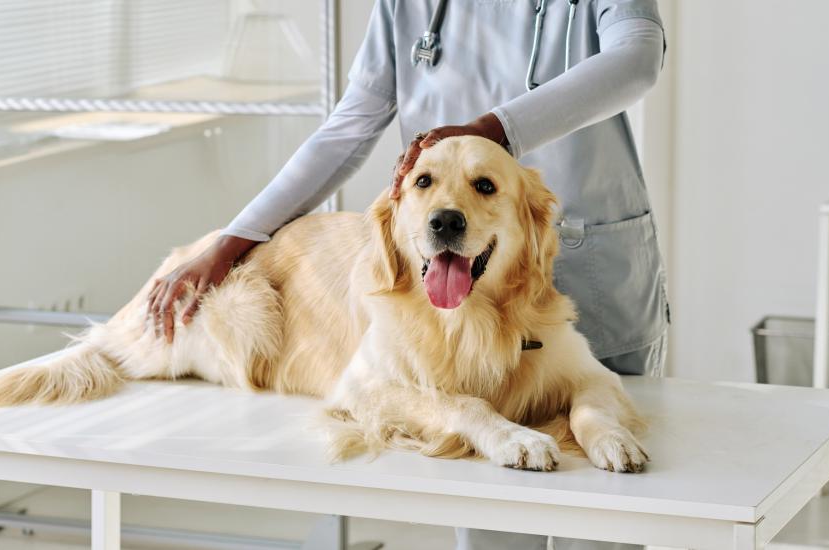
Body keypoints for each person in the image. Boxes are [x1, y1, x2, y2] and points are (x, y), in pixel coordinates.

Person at [149, 1, 669, 548]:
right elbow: (350, 124)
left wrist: (493, 130)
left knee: (609, 514)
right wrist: (236, 239)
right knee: (496, 511)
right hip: (456, 303)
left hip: (593, 276)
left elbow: (636, 57)